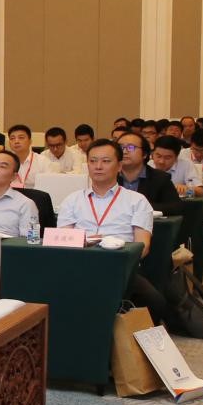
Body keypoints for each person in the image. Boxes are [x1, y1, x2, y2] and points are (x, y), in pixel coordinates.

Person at [57, 139, 164, 325]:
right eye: (93, 161)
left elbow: (143, 246)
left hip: (120, 267)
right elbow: (63, 240)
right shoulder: (72, 200)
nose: (98, 166)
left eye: (106, 161)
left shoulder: (137, 201)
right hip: (78, 265)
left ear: (119, 166)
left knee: (156, 302)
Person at [117, 135, 181, 214]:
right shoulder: (108, 176)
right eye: (120, 147)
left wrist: (139, 207)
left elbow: (175, 207)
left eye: (131, 147)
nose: (124, 152)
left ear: (145, 154)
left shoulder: (160, 178)